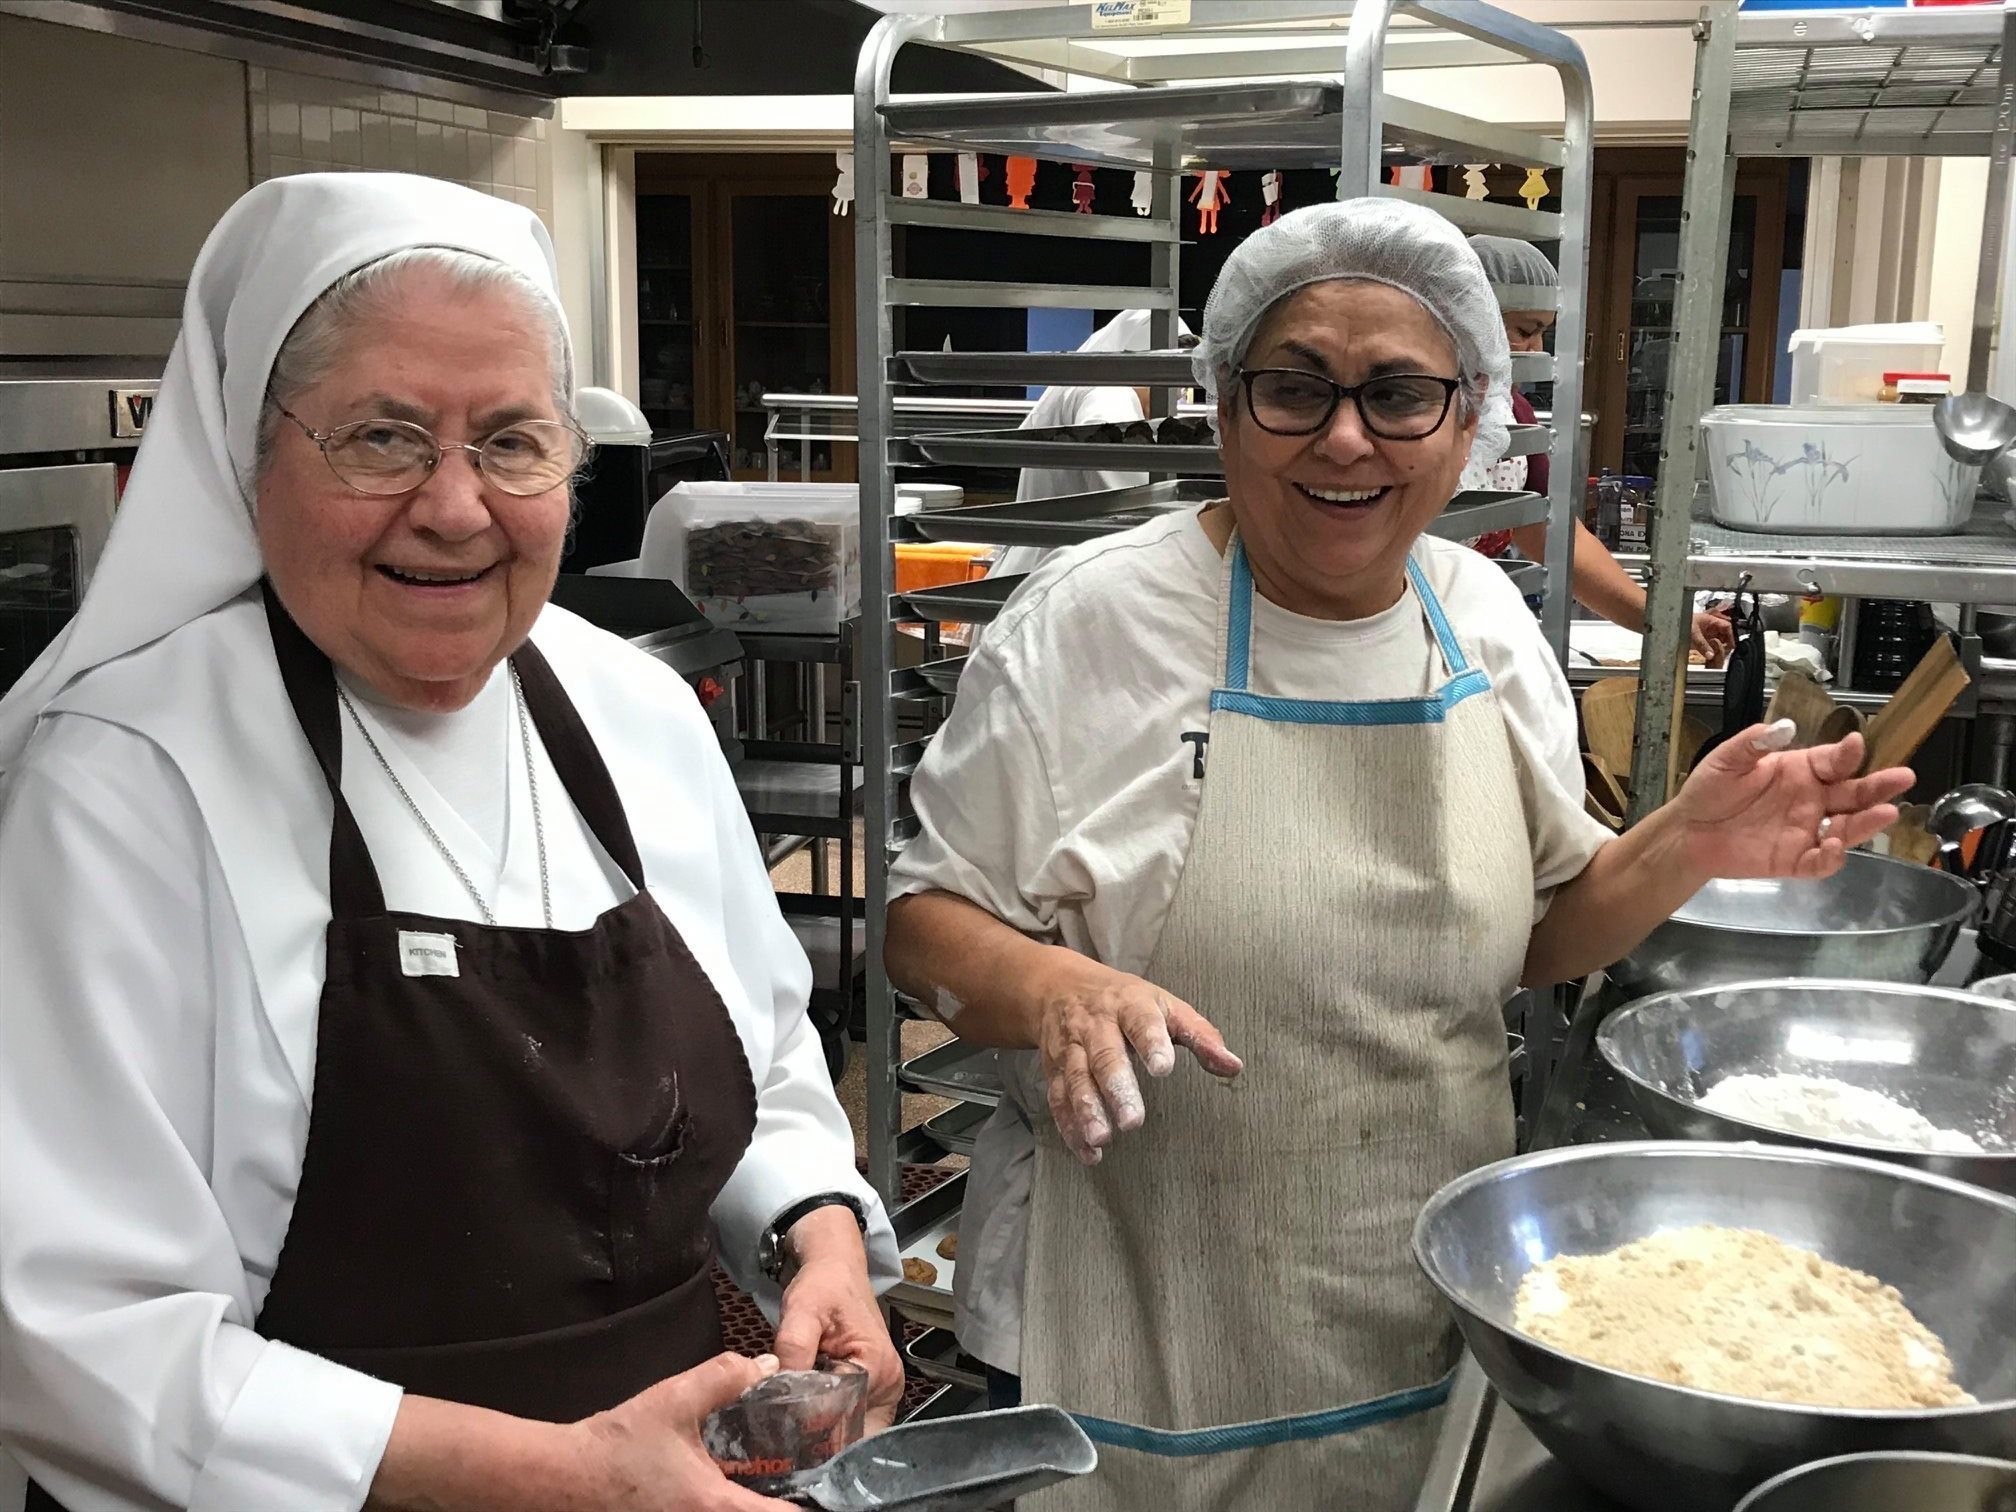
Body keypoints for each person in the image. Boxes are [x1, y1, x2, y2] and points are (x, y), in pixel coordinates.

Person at [882, 198, 1910, 1511]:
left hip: (1414, 1305)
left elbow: (1539, 930)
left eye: (1399, 394)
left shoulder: (1476, 616)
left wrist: (1687, 846)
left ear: (1471, 422)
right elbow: (923, 921)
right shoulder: (1090, 629)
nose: (1347, 437)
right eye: (1294, 389)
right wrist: (1051, 991)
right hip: (1147, 1311)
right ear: (1223, 405)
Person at [0, 174, 900, 1512]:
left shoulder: (634, 711)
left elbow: (761, 1065)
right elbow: (79, 1337)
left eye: (515, 441)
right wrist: (563, 1477)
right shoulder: (124, 781)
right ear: (251, 451)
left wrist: (812, 1231)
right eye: (382, 437)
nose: (457, 507)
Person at [1462, 233, 1734, 665]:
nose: (1537, 351)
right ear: (1473, 319)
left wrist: (1661, 618)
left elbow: (1551, 535)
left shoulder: (1516, 414)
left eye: (1543, 334)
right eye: (1525, 332)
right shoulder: (1419, 413)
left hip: (1466, 628)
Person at [986, 309, 1192, 580]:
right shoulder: (1109, 396)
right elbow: (1128, 506)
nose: (1177, 395)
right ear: (1145, 363)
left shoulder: (1087, 385)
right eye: (1173, 382)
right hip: (1056, 574)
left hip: (1040, 567)